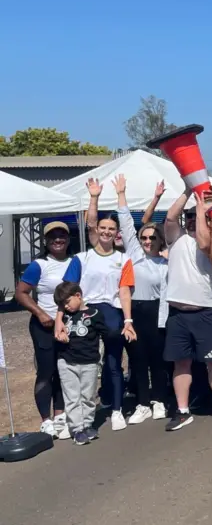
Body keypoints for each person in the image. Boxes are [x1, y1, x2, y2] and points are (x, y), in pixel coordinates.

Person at [57, 178, 132, 432]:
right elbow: (66, 293)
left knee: (113, 362)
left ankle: (117, 409)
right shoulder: (82, 258)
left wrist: (128, 320)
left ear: (116, 232)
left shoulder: (123, 259)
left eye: (111, 229)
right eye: (103, 228)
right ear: (97, 230)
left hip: (111, 312)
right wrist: (94, 198)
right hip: (84, 313)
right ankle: (76, 418)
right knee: (82, 365)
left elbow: (124, 292)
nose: (107, 232)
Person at [160, 191, 212, 431]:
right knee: (181, 363)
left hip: (206, 312)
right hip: (178, 315)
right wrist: (187, 191)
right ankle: (182, 411)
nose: (192, 219)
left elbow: (203, 243)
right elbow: (171, 217)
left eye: (196, 216)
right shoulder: (176, 237)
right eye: (189, 216)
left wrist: (203, 213)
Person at [112, 175, 171, 425]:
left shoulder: (167, 262)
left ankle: (159, 401)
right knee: (137, 360)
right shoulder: (134, 254)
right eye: (144, 238)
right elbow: (126, 223)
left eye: (152, 238)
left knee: (158, 360)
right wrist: (121, 194)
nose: (147, 241)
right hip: (135, 311)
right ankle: (142, 404)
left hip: (158, 312)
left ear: (160, 240)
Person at [15, 222, 73, 439]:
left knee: (63, 370)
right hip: (44, 325)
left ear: (68, 239)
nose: (58, 240)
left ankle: (60, 416)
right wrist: (40, 313)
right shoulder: (39, 265)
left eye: (62, 235)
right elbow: (21, 293)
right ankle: (45, 420)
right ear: (46, 241)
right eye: (53, 236)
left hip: (68, 325)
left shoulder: (75, 262)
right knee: (46, 372)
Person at [52, 282, 123, 445]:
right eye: (62, 305)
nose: (66, 307)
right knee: (72, 397)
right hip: (67, 361)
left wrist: (121, 332)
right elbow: (56, 333)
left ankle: (87, 424)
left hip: (89, 362)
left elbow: (106, 333)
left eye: (67, 302)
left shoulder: (95, 314)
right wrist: (59, 337)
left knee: (88, 396)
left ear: (78, 295)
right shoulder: (63, 317)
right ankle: (77, 429)